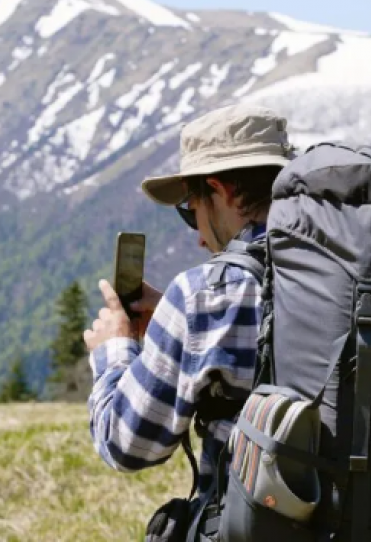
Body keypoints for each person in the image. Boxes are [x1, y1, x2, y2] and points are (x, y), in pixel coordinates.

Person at [83, 103, 295, 500]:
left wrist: (114, 350)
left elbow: (127, 444)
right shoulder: (348, 273)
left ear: (220, 190)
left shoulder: (204, 296)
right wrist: (174, 322)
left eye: (191, 211)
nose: (198, 237)